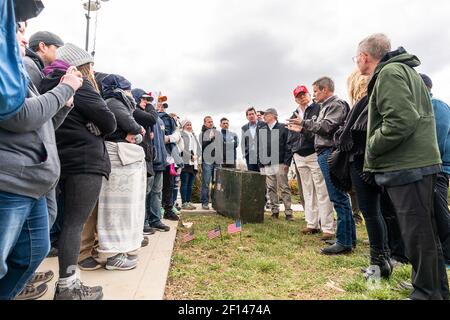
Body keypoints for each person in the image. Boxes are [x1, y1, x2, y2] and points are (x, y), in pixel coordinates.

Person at [356, 33, 448, 300]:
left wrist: (372, 144)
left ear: (364, 57)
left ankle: (426, 293)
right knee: (424, 235)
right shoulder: (402, 70)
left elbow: (401, 120)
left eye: (356, 58)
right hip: (417, 165)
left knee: (418, 235)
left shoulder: (389, 73)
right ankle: (434, 289)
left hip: (409, 166)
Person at [0, 21, 82, 300]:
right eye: (19, 29)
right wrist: (65, 89)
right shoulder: (17, 65)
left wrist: (63, 104)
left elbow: (41, 124)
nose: (25, 37)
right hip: (11, 181)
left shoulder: (19, 68)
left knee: (32, 254)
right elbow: (21, 116)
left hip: (33, 180)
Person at [39, 43, 117, 299]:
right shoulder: (79, 82)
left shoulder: (47, 82)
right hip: (85, 161)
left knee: (62, 222)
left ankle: (64, 282)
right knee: (75, 223)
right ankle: (68, 288)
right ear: (84, 66)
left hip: (58, 160)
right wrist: (97, 123)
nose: (94, 70)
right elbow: (110, 122)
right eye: (91, 65)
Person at [331, 69, 392, 279]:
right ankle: (383, 258)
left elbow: (351, 135)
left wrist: (341, 136)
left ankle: (378, 264)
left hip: (361, 163)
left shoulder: (364, 102)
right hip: (368, 163)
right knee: (376, 213)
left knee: (372, 213)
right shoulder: (370, 102)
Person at [287, 77, 355, 255]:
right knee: (337, 196)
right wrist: (302, 129)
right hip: (322, 153)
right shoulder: (328, 106)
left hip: (328, 153)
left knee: (337, 197)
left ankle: (344, 240)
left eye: (315, 91)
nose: (314, 95)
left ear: (325, 89)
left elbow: (326, 127)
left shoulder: (336, 105)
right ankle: (347, 238)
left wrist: (303, 123)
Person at [97, 74, 147, 271]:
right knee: (118, 209)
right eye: (127, 88)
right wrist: (137, 131)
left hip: (122, 159)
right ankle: (114, 256)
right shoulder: (114, 102)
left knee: (126, 208)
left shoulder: (117, 102)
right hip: (118, 160)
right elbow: (133, 126)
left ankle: (122, 249)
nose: (129, 92)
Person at [288, 85, 334, 239]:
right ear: (295, 98)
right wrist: (294, 148)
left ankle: (327, 227)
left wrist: (303, 130)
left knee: (322, 190)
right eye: (298, 95)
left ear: (308, 94)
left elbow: (319, 131)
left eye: (304, 94)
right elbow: (291, 135)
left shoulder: (318, 109)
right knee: (308, 192)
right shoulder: (294, 113)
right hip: (300, 156)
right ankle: (311, 223)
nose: (302, 97)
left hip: (314, 153)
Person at [420, 73, 450, 269]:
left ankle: (447, 256)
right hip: (429, 167)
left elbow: (437, 140)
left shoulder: (436, 106)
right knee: (430, 212)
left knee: (439, 212)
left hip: (437, 168)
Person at [131, 89, 159, 235]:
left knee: (146, 193)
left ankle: (144, 222)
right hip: (138, 156)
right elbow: (153, 118)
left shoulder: (142, 114)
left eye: (148, 100)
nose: (146, 102)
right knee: (141, 193)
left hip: (146, 156)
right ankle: (141, 225)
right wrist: (150, 106)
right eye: (143, 99)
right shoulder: (135, 111)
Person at [259, 108, 294, 221]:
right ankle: (275, 211)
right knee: (271, 188)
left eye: (266, 115)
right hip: (267, 164)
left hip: (280, 163)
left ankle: (288, 212)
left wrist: (287, 162)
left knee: (284, 187)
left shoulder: (283, 128)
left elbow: (288, 146)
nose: (264, 116)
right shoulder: (263, 129)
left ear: (274, 115)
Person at [156, 97, 182, 221]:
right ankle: (157, 210)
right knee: (156, 186)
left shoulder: (169, 119)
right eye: (159, 104)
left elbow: (177, 134)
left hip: (168, 156)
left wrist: (168, 138)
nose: (161, 107)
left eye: (164, 105)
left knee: (169, 184)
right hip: (155, 156)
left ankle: (168, 209)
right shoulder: (150, 115)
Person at [180, 119, 201, 210]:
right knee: (185, 183)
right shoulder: (181, 135)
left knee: (190, 184)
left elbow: (199, 148)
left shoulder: (193, 135)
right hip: (185, 162)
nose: (189, 126)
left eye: (190, 124)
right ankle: (184, 202)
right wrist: (190, 156)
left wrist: (197, 156)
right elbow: (181, 148)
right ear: (183, 126)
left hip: (194, 163)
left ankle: (188, 201)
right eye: (187, 124)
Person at [200, 116, 220, 210]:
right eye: (208, 122)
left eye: (212, 121)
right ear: (205, 123)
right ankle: (205, 202)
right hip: (207, 161)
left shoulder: (216, 132)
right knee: (206, 182)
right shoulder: (202, 133)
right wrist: (210, 138)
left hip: (217, 161)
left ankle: (216, 203)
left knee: (216, 183)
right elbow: (202, 146)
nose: (211, 123)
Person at [241, 107, 265, 172]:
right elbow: (243, 142)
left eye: (252, 114)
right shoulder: (244, 128)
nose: (251, 116)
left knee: (263, 176)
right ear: (247, 117)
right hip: (250, 156)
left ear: (256, 115)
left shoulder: (264, 125)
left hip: (262, 155)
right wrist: (245, 154)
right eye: (249, 114)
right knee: (252, 176)